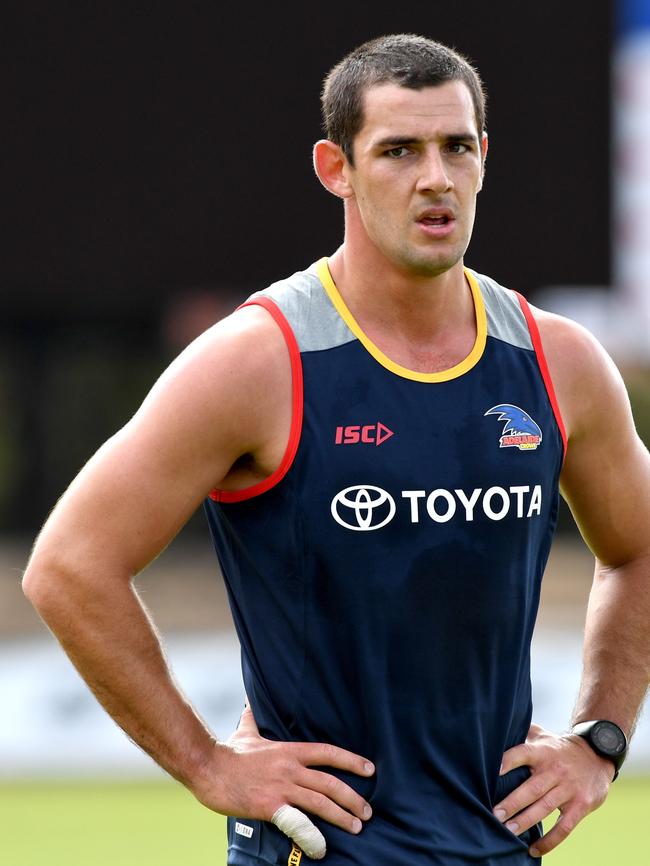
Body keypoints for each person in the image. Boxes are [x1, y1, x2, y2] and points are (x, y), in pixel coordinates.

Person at [22, 33, 650, 866]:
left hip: (502, 848)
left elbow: (638, 547)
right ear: (335, 168)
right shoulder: (259, 360)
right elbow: (67, 566)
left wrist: (599, 741)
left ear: (484, 158)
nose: (435, 178)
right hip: (318, 852)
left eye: (456, 146)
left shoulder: (556, 361)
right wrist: (206, 763)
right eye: (398, 151)